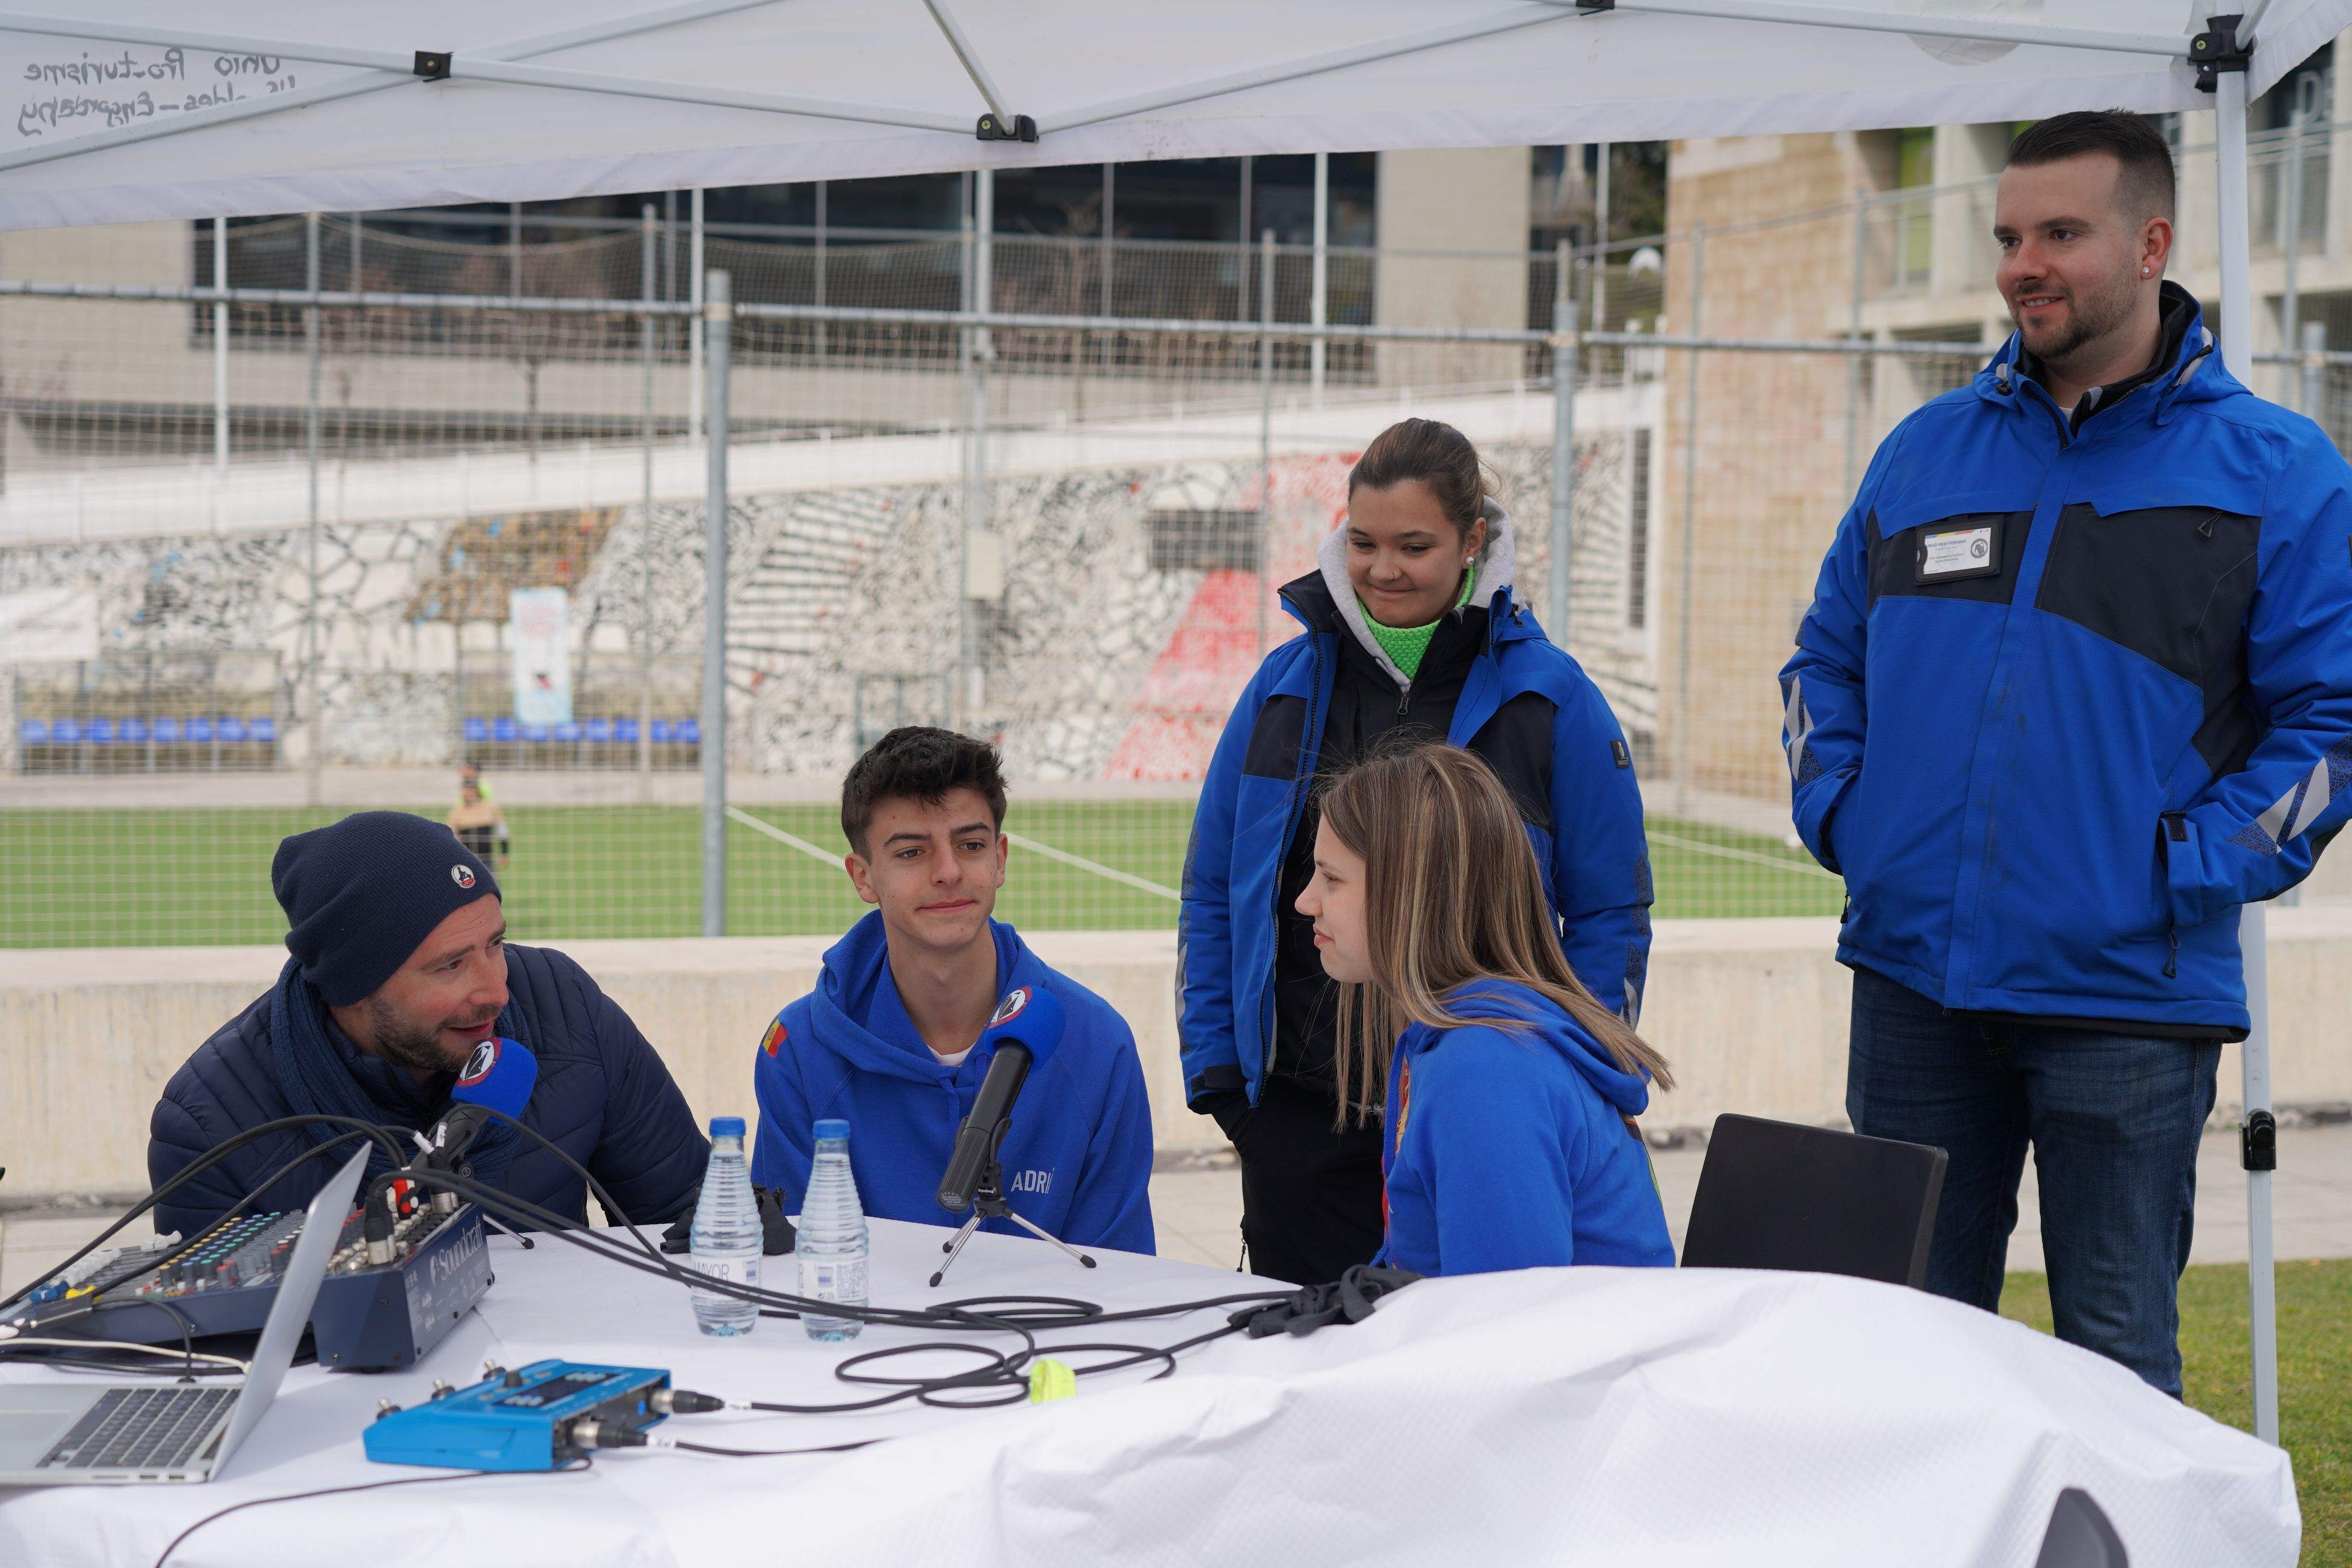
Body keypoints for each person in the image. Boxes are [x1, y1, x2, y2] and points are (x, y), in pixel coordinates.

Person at [1781, 111, 2352, 1395]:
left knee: (2114, 1361)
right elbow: (1825, 663)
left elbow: (2335, 723)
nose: (2022, 263)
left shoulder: (2277, 470)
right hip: (1915, 989)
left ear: (2151, 243)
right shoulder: (1926, 451)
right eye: (2006, 236)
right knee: (1909, 1356)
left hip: (2127, 1001)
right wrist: (1849, 821)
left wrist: (2184, 870)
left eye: (2059, 234)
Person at [1180, 417, 1653, 1284]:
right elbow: (1214, 890)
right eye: (1362, 542)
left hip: (1471, 1102)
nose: (1383, 569)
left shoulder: (1552, 701)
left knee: (1456, 1347)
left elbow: (1609, 910)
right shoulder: (1281, 690)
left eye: (1414, 545)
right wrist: (1225, 1089)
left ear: (1473, 541)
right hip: (1299, 1125)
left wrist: (1568, 1070)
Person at [148, 811, 709, 1238]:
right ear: (352, 989)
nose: (496, 991)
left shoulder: (563, 1005)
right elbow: (231, 1352)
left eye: (495, 944)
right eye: (451, 965)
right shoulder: (209, 1126)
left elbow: (689, 1215)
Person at [751, 727, 1156, 1254]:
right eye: (912, 852)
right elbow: (794, 1269)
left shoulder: (1098, 1042)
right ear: (863, 878)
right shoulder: (798, 1050)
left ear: (1000, 859)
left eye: (970, 845)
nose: (948, 872)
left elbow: (1118, 1277)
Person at [1297, 743, 1674, 1276]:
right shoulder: (1472, 1038)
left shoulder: (1482, 1069)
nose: (1305, 901)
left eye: (1331, 879)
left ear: (1413, 892)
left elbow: (1503, 1327)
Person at [446, 777, 510, 868]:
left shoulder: (490, 808)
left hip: (487, 859)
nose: (469, 793)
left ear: (477, 790)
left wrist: (504, 853)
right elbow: (452, 836)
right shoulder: (457, 812)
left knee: (491, 881)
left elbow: (502, 832)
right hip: (466, 859)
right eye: (466, 790)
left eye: (471, 790)